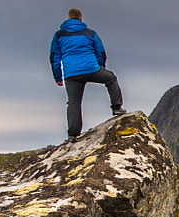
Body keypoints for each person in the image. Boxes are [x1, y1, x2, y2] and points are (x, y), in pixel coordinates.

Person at [50, 8, 124, 139]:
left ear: (68, 18)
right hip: (91, 69)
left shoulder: (59, 35)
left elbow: (55, 57)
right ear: (81, 19)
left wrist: (58, 77)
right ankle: (116, 107)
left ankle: (73, 135)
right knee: (111, 78)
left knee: (74, 102)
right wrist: (101, 67)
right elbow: (101, 52)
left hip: (71, 74)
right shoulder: (90, 33)